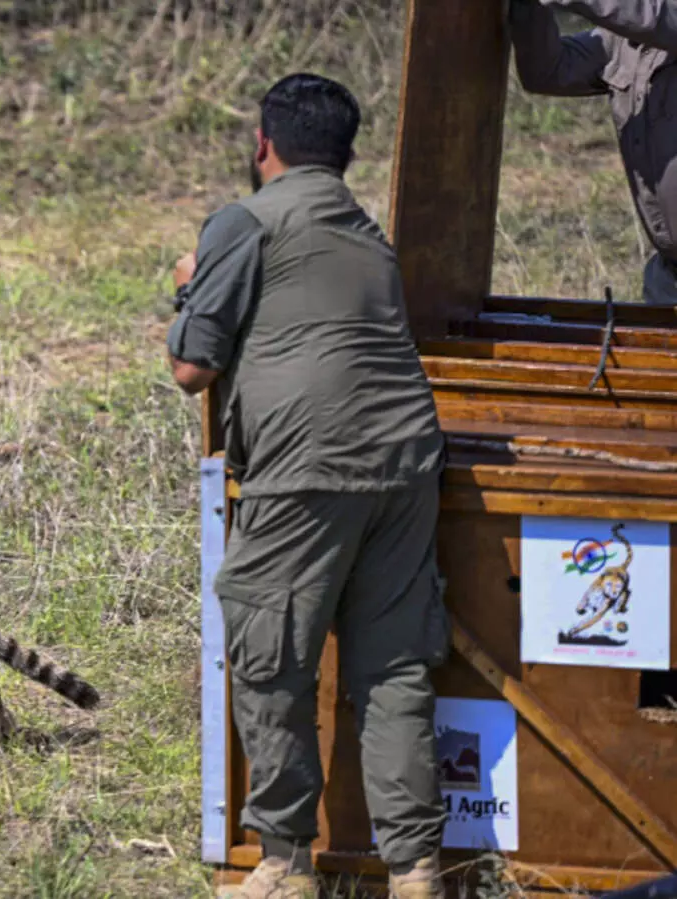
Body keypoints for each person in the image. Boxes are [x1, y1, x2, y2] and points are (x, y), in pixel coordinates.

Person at [167, 73, 451, 899]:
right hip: (407, 461)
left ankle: (286, 863)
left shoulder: (244, 221)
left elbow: (191, 367)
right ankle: (417, 871)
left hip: (307, 466)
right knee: (394, 668)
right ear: (345, 155)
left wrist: (189, 284)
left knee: (270, 658)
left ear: (263, 144)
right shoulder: (369, 232)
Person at [507, 0, 677, 305]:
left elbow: (656, 19)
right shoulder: (626, 42)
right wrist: (527, 7)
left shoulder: (654, 19)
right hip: (668, 280)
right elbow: (549, 70)